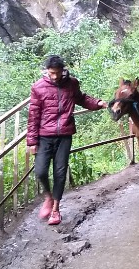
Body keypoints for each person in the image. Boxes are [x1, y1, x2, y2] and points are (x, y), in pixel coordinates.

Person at [27, 54, 106, 226]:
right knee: (40, 171)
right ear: (47, 72)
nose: (54, 77)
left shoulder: (72, 84)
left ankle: (56, 209)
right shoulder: (38, 87)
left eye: (57, 73)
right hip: (44, 135)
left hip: (64, 134)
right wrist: (32, 141)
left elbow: (82, 98)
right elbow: (33, 115)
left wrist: (98, 103)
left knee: (60, 172)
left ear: (63, 71)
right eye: (51, 73)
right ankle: (48, 197)